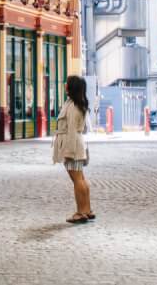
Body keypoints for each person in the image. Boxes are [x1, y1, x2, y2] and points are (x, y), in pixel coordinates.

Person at [52, 75, 94, 223]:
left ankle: (80, 212)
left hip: (73, 146)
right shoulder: (77, 104)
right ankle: (87, 210)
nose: (65, 84)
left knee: (77, 180)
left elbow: (70, 131)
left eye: (67, 83)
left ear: (72, 87)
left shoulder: (73, 107)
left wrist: (68, 152)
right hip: (78, 144)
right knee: (81, 178)